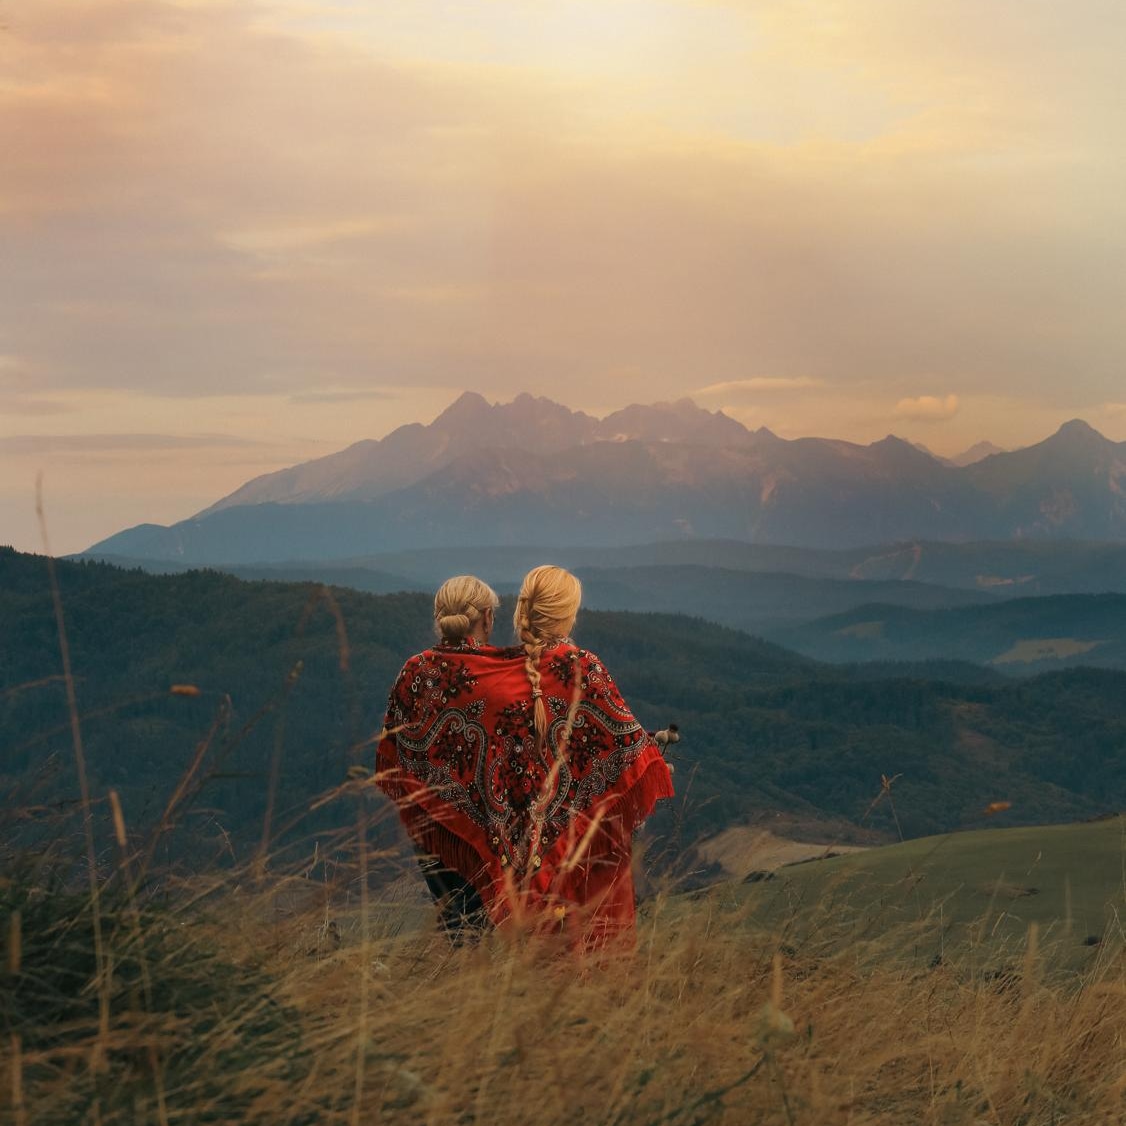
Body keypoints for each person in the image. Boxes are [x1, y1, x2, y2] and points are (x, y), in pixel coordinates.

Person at [375, 566, 674, 949]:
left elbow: (396, 754)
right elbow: (615, 745)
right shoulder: (566, 668)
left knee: (463, 940)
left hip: (442, 824)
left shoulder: (417, 672)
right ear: (487, 618)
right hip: (531, 832)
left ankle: (466, 995)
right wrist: (649, 756)